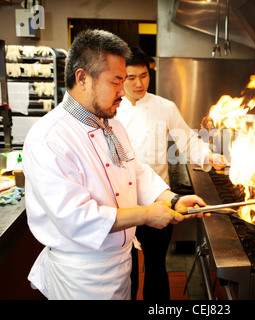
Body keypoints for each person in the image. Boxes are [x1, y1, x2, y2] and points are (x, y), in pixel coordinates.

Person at [22, 29, 206, 300]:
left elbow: (136, 171)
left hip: (120, 264)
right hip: (82, 277)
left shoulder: (112, 123)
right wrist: (145, 214)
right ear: (83, 78)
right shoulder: (49, 137)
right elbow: (76, 218)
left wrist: (172, 198)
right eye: (117, 81)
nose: (125, 90)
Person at [117, 46, 227, 300]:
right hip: (123, 202)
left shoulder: (164, 107)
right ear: (121, 77)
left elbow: (187, 140)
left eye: (143, 75)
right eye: (130, 78)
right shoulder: (111, 109)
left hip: (159, 198)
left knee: (156, 264)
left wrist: (208, 156)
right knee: (127, 267)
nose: (138, 83)